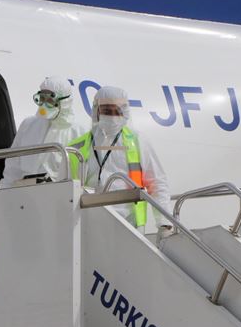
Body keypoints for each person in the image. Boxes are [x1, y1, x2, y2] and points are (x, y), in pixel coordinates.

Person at [68, 86, 173, 239]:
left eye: (116, 111)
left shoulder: (137, 141)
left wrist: (164, 223)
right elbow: (64, 187)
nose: (112, 116)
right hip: (87, 222)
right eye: (106, 111)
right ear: (97, 111)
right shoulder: (78, 146)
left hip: (129, 222)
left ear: (125, 112)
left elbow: (156, 182)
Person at [0, 76, 87, 188]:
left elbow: (82, 171)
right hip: (24, 191)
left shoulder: (78, 131)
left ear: (64, 101)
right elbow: (13, 164)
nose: (44, 104)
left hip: (59, 192)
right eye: (42, 98)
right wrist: (5, 189)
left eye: (50, 100)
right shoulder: (28, 125)